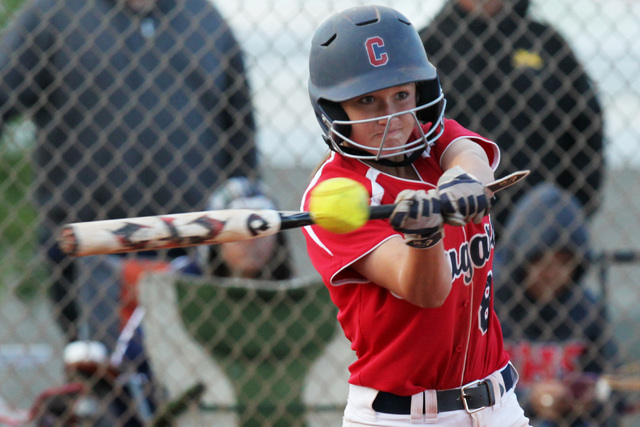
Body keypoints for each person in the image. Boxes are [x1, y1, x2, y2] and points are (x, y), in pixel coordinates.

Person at [0, 0, 257, 423]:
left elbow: (242, 145)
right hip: (88, 252)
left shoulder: (206, 22)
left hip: (187, 254)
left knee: (188, 395)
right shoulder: (53, 15)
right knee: (111, 394)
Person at [301, 5, 530, 426]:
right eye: (367, 101)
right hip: (404, 416)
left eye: (401, 96)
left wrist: (462, 181)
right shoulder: (335, 195)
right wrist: (424, 238)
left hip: (499, 403)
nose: (390, 117)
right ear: (334, 111)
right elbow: (425, 290)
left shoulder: (427, 137)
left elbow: (472, 154)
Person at [419, 0, 605, 240]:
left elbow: (587, 130)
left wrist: (564, 219)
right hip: (453, 230)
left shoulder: (546, 43)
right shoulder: (426, 47)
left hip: (537, 241)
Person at [494, 183, 624, 426]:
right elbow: (465, 390)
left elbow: (613, 390)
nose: (552, 273)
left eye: (563, 262)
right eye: (540, 259)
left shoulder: (586, 309)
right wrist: (529, 399)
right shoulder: (491, 305)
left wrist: (593, 397)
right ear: (520, 258)